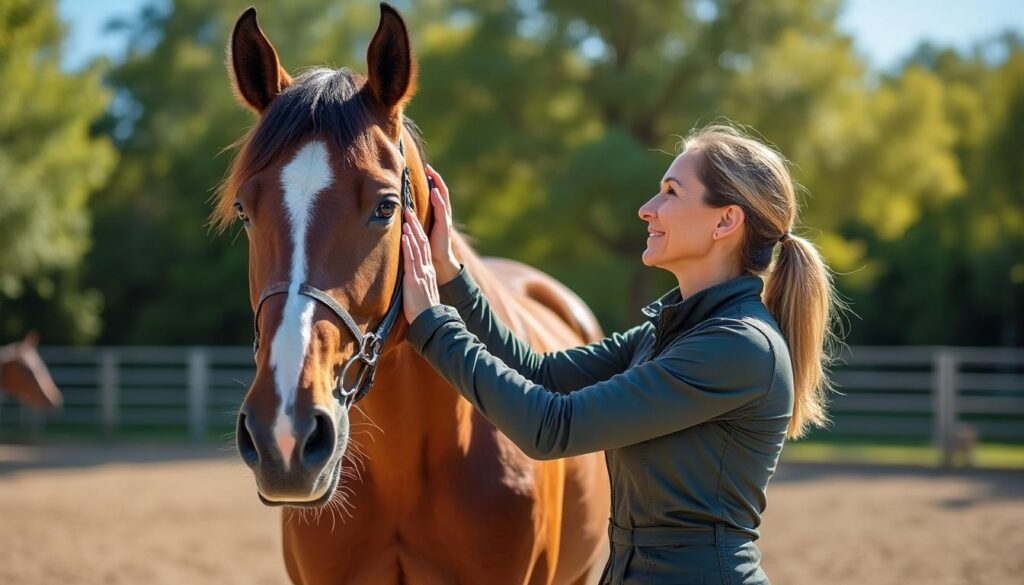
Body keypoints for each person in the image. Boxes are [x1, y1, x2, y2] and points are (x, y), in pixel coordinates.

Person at [399, 123, 844, 585]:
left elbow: (550, 427)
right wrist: (451, 274)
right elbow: (539, 372)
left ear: (725, 221)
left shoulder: (739, 345)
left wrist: (434, 326)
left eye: (671, 193)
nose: (647, 209)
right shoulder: (670, 331)